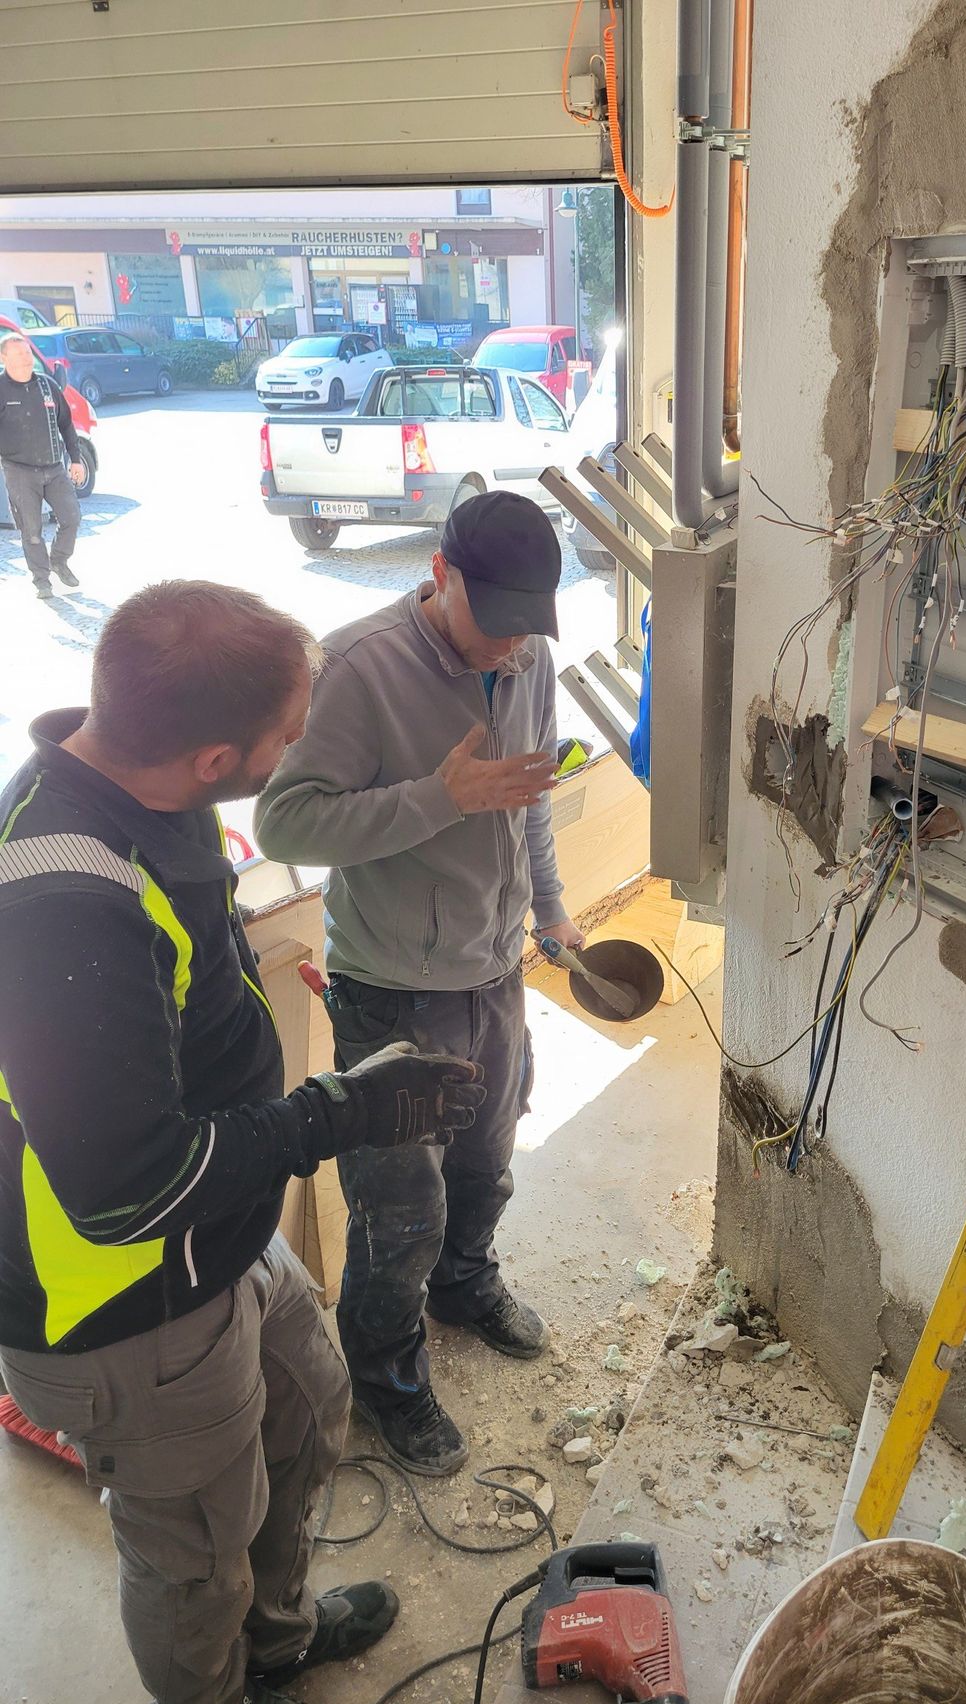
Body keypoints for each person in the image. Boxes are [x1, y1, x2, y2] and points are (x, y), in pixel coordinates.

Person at [0, 581, 486, 1704]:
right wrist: (338, 1113)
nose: (304, 738)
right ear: (217, 758)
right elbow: (124, 1194)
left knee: (309, 1414)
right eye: (290, 728)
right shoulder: (63, 906)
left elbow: (186, 1002)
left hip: (218, 1237)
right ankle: (217, 1679)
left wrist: (298, 1080)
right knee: (192, 1557)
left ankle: (278, 1637)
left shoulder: (142, 786)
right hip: (125, 1305)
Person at [255, 490, 585, 1478]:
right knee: (402, 1209)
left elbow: (527, 798)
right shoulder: (356, 669)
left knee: (487, 1160)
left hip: (492, 971)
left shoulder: (527, 653)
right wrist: (439, 801)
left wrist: (552, 908)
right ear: (440, 576)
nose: (511, 648)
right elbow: (284, 826)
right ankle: (390, 1384)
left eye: (530, 626)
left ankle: (467, 1288)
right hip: (391, 986)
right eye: (497, 624)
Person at [0, 329, 84, 599]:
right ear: (3, 358)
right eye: (19, 354)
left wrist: (76, 459)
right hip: (19, 471)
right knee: (32, 530)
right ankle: (42, 580)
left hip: (54, 467)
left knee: (72, 518)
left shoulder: (48, 385)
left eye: (27, 352)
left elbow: (67, 425)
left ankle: (59, 559)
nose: (26, 358)